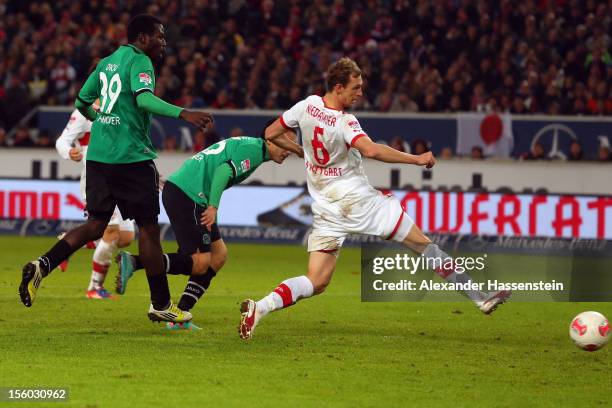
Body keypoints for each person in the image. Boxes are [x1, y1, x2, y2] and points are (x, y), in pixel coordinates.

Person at [239, 58, 511, 340]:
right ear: (338, 87)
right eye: (355, 88)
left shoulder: (306, 106)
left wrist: (300, 151)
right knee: (423, 245)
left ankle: (260, 308)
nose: (360, 93)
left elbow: (270, 133)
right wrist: (417, 159)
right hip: (358, 203)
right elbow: (372, 151)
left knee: (316, 281)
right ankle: (480, 297)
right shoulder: (345, 121)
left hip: (327, 208)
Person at [19, 14, 213, 324]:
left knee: (96, 225)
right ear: (142, 37)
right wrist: (183, 113)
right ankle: (160, 303)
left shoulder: (106, 62)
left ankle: (43, 263)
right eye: (159, 36)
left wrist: (103, 122)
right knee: (148, 229)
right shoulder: (140, 62)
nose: (163, 41)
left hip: (98, 159)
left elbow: (82, 101)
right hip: (130, 159)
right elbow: (145, 100)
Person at [115, 121, 301, 330]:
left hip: (190, 194)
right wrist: (213, 206)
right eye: (286, 143)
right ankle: (135, 262)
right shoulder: (254, 150)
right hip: (189, 195)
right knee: (200, 262)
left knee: (218, 255)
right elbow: (223, 171)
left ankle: (182, 314)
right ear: (271, 138)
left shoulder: (252, 146)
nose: (289, 151)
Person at [55, 105, 136, 299]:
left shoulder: (120, 106)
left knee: (126, 237)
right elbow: (62, 141)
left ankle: (67, 242)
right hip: (97, 181)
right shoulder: (84, 111)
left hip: (121, 179)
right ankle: (94, 287)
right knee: (112, 232)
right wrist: (69, 152)